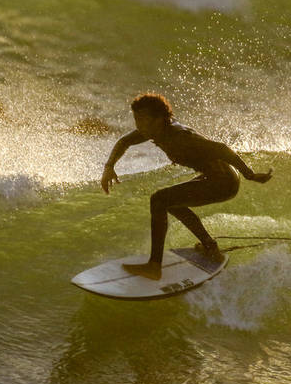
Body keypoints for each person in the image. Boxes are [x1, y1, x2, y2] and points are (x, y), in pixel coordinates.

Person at [101, 93, 272, 280]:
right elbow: (124, 141)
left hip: (224, 182)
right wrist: (109, 167)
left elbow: (222, 149)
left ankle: (154, 266)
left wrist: (250, 175)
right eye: (136, 119)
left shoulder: (180, 136)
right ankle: (209, 246)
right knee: (170, 202)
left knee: (159, 200)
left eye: (142, 120)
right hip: (213, 177)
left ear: (158, 119)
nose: (138, 125)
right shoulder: (158, 130)